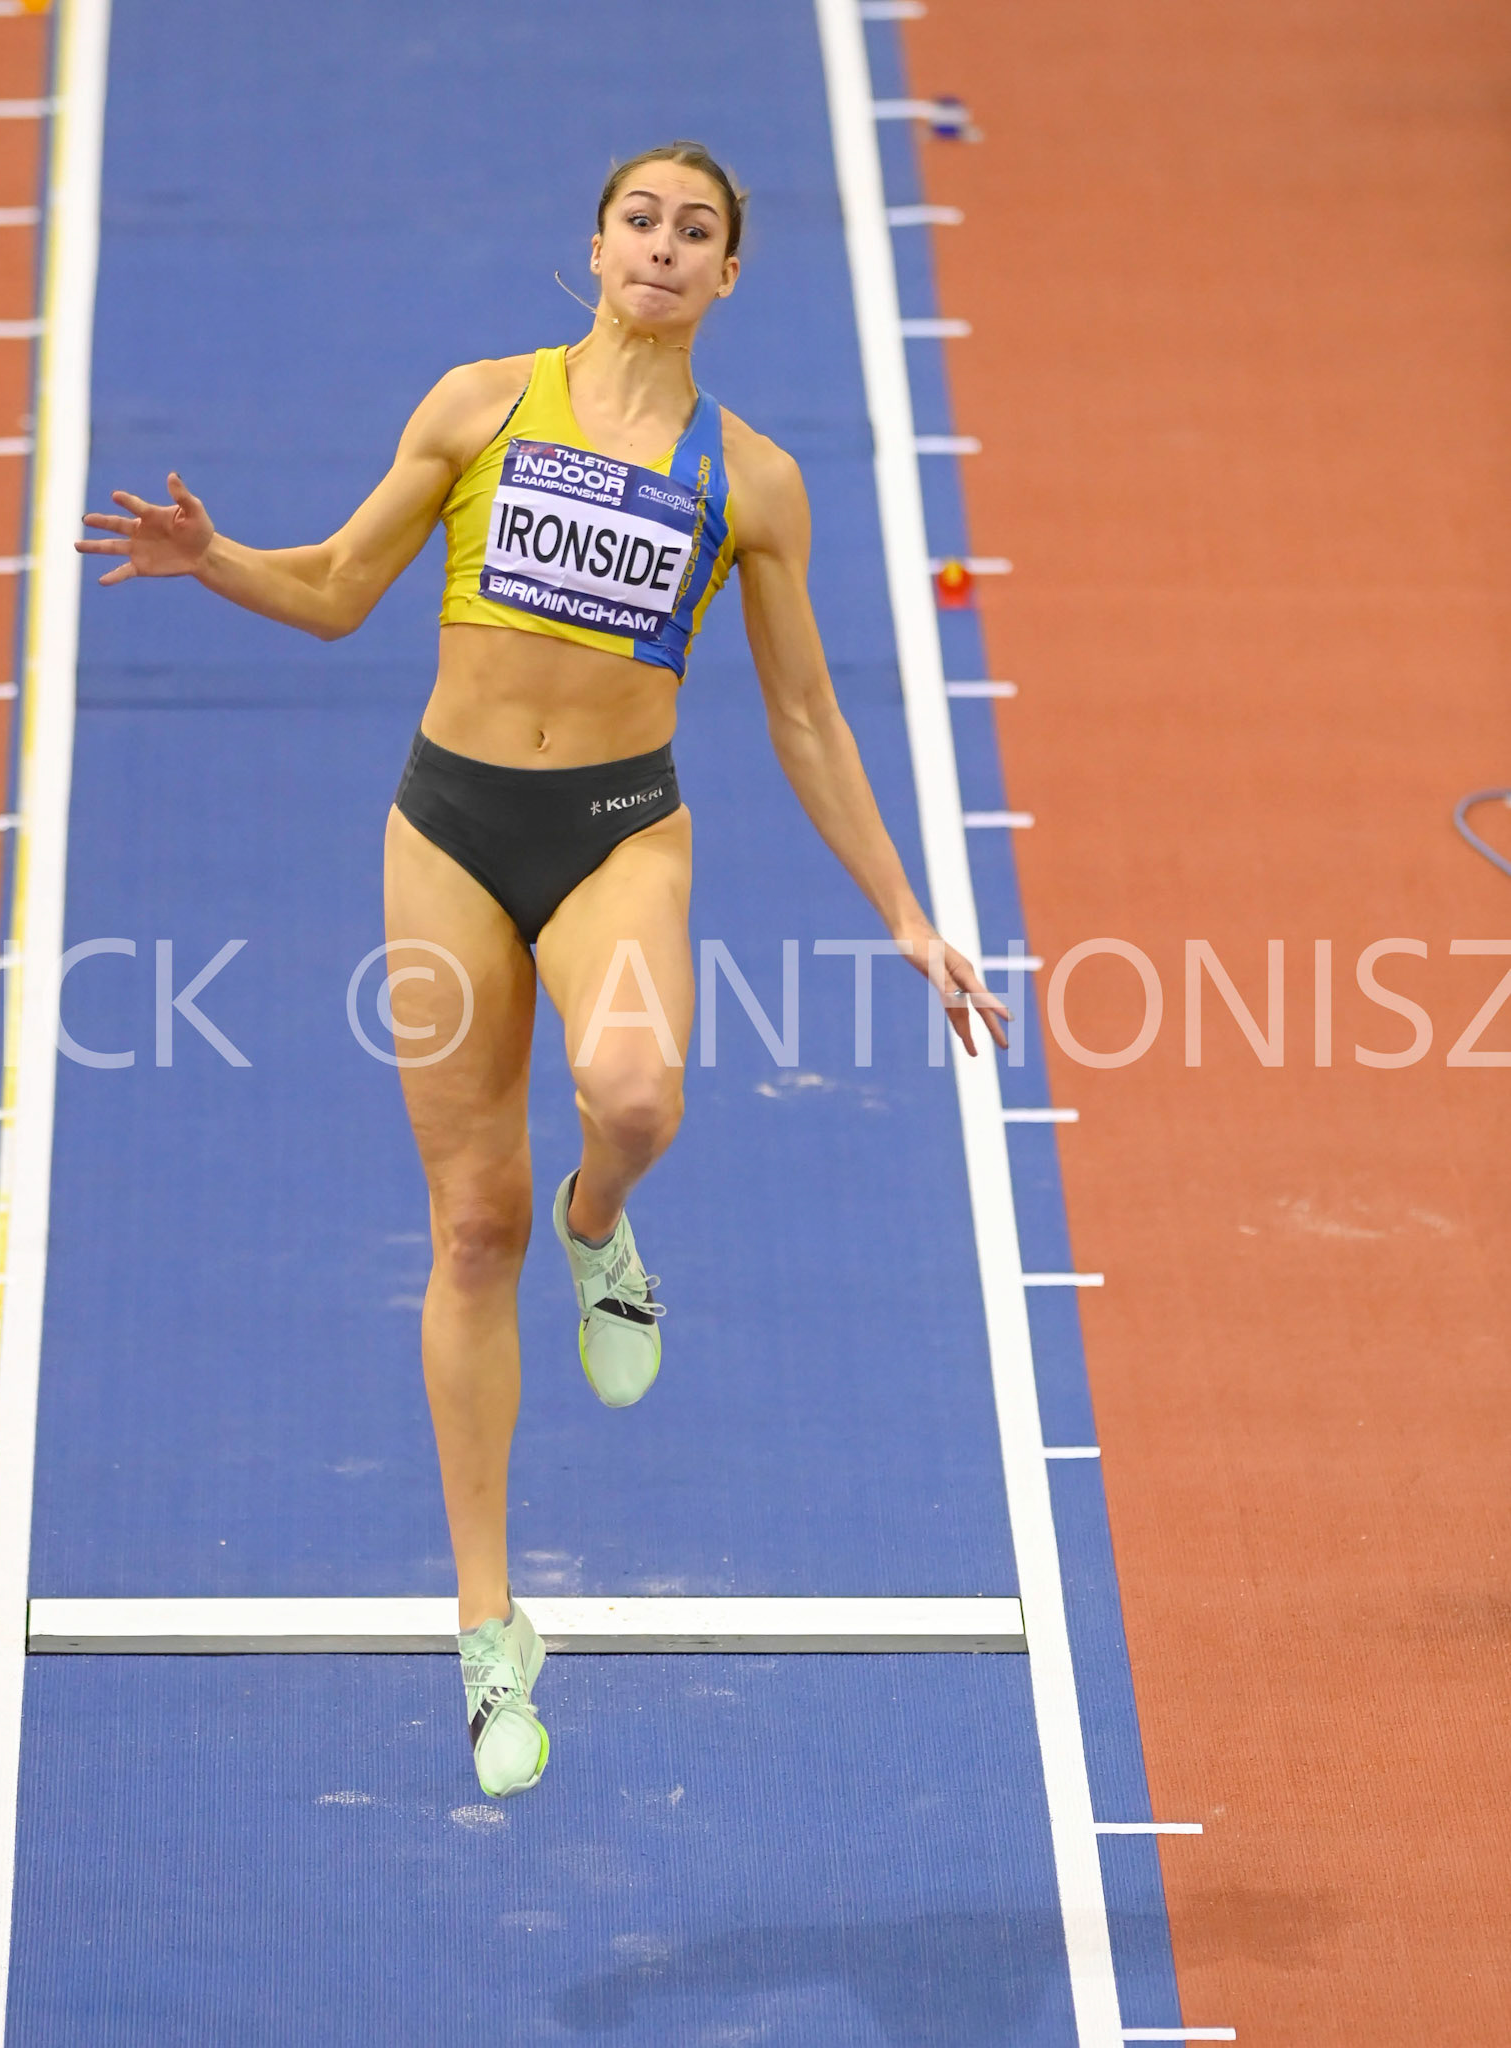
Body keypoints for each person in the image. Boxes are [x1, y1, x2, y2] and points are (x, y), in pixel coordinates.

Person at [77, 141, 1009, 1800]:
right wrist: (210, 559)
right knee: (463, 1224)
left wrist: (904, 913)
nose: (662, 246)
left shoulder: (758, 485)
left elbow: (801, 715)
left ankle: (604, 1224)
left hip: (617, 834)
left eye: (695, 231)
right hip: (444, 833)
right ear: (593, 246)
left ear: (729, 277)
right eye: (640, 219)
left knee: (634, 1096)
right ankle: (491, 1628)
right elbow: (340, 593)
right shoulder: (478, 405)